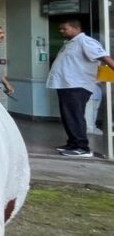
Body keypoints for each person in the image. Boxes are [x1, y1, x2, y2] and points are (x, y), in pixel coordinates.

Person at [47, 19, 114, 158]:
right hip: (66, 85)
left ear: (76, 28)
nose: (61, 31)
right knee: (68, 116)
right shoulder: (70, 43)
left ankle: (82, 147)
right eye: (61, 29)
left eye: (64, 28)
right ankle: (72, 143)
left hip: (77, 85)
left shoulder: (85, 41)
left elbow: (105, 58)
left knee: (75, 116)